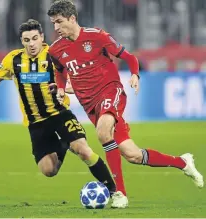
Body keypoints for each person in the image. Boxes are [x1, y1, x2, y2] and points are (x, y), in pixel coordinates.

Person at [47, 0, 204, 208]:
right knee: (133, 155)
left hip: (111, 91)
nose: (56, 28)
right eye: (53, 23)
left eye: (59, 22)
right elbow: (60, 71)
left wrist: (135, 75)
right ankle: (182, 162)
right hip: (90, 104)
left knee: (103, 132)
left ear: (72, 18)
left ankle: (119, 193)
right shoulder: (56, 49)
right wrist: (59, 88)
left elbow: (129, 57)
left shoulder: (97, 36)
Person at [0, 19, 116, 194]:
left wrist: (65, 89)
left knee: (83, 151)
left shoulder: (55, 55)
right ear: (21, 41)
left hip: (60, 115)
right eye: (27, 40)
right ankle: (64, 143)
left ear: (42, 37)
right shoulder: (13, 59)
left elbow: (76, 79)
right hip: (36, 123)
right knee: (49, 170)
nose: (31, 44)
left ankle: (114, 191)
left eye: (34, 38)